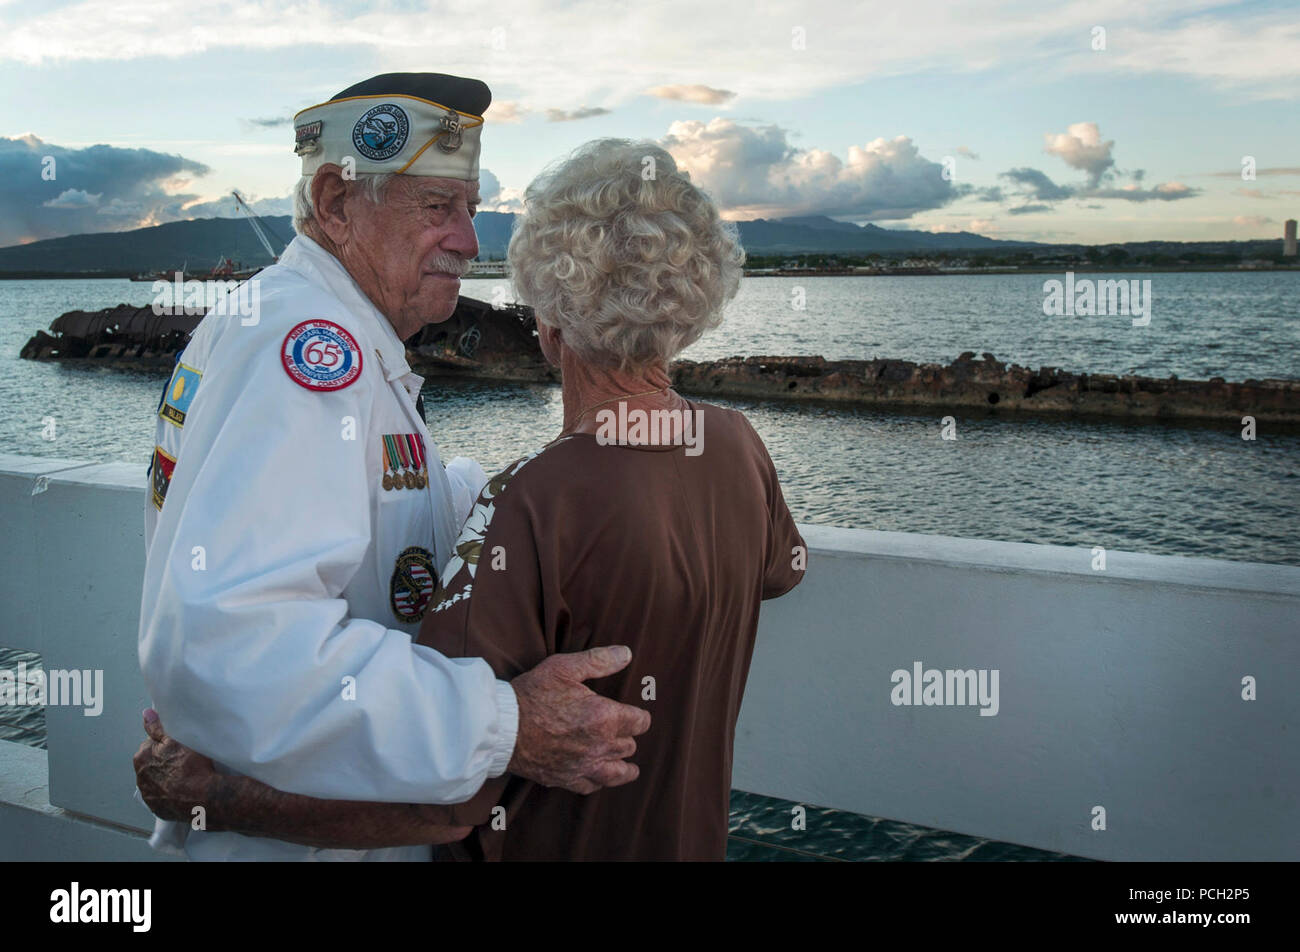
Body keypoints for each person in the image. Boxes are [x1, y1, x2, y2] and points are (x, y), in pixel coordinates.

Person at [136, 138, 806, 860]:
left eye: (471, 209)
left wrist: (209, 797)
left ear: (548, 318)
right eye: (438, 205)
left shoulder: (533, 499)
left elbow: (448, 807)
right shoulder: (737, 445)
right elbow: (778, 569)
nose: (467, 238)